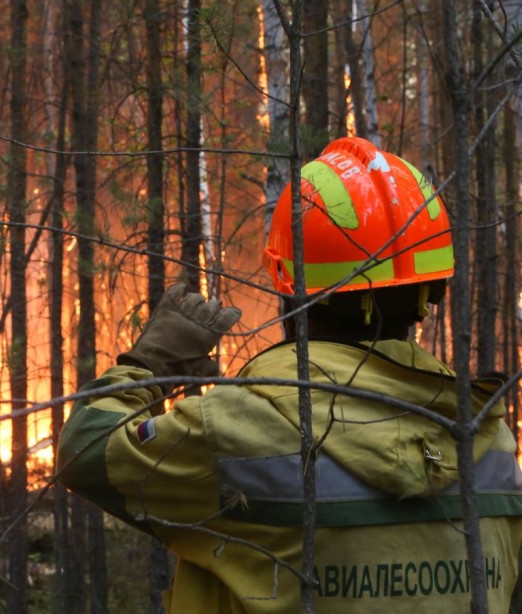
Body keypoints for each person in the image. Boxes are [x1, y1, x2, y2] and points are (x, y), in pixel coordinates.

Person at [56, 137, 522, 612]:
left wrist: (150, 367)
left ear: (289, 283)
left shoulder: (235, 427)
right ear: (432, 290)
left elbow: (87, 453)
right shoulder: (492, 440)